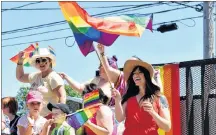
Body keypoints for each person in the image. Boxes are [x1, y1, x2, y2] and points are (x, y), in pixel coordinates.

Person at [112, 57, 171, 135]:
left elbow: (167, 127)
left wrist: (153, 112)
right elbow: (119, 119)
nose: (136, 75)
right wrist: (117, 99)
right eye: (134, 73)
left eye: (139, 72)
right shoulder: (128, 97)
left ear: (146, 75)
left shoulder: (160, 98)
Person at [59, 43, 126, 107]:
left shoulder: (116, 84)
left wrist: (102, 53)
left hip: (106, 115)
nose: (98, 68)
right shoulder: (96, 79)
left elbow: (107, 68)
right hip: (89, 115)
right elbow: (79, 88)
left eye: (101, 65)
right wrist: (66, 77)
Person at [16, 47, 66, 118]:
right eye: (38, 61)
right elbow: (20, 77)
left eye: (43, 60)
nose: (41, 63)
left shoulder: (53, 77)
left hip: (49, 119)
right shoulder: (35, 76)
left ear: (50, 61)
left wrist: (57, 116)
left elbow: (62, 96)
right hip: (35, 120)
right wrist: (20, 61)